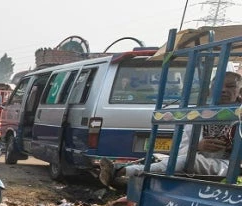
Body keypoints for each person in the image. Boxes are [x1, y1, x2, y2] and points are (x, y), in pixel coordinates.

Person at [103, 71, 242, 184]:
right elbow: (182, 149)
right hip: (195, 162)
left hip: (227, 166)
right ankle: (126, 171)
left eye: (230, 87)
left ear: (239, 91)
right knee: (166, 158)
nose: (224, 90)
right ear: (211, 90)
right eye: (219, 86)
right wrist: (198, 146)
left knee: (184, 161)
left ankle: (124, 171)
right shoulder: (198, 114)